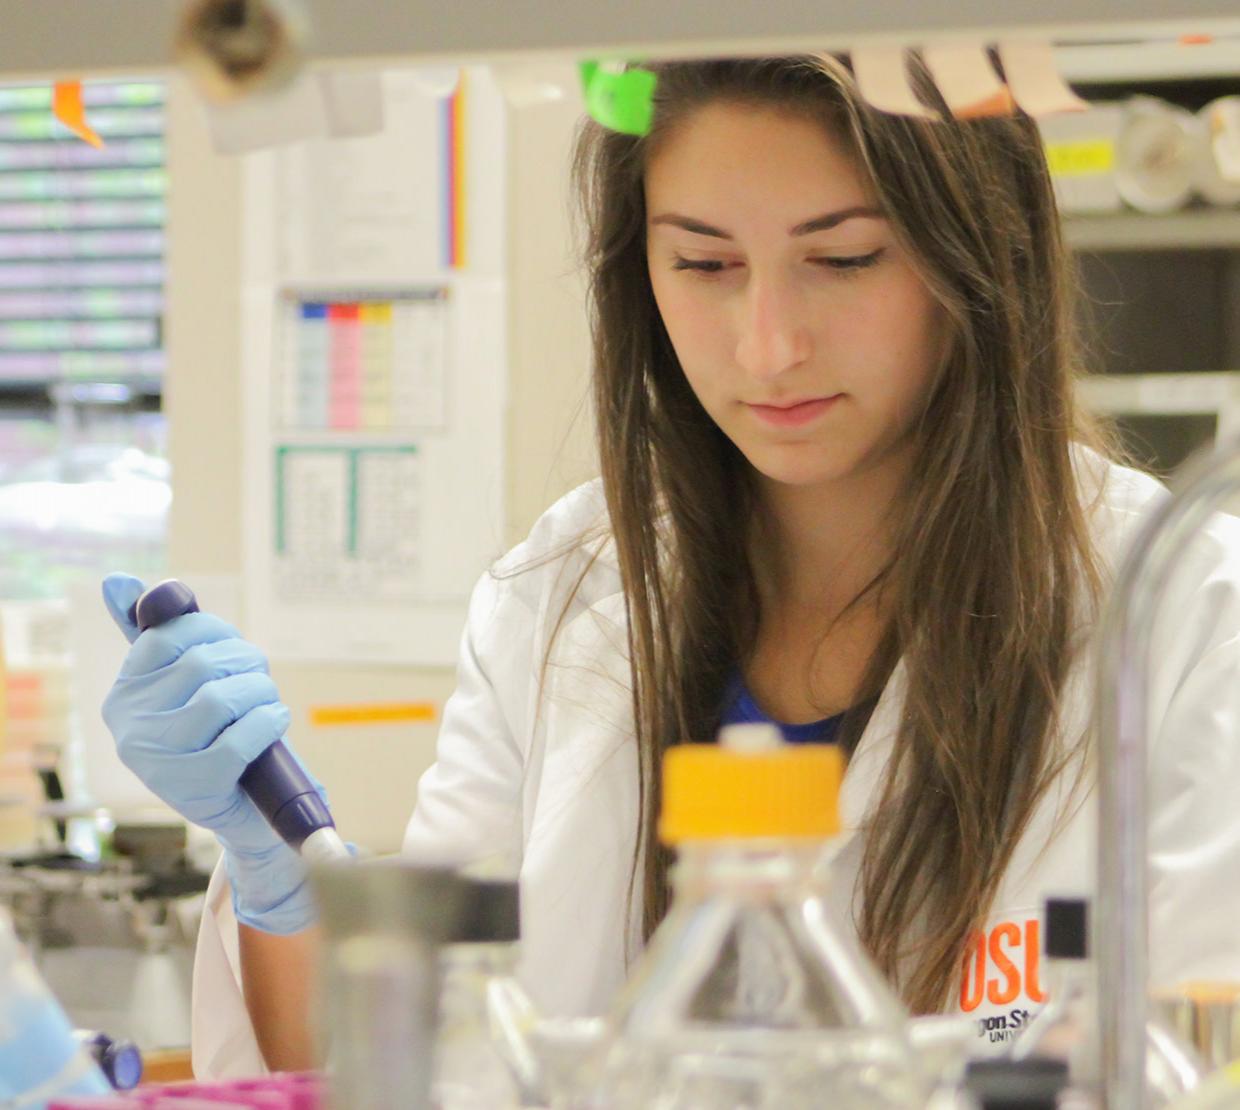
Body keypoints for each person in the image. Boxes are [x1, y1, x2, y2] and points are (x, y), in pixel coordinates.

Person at [102, 54, 1240, 1078]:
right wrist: (282, 881)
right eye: (703, 263)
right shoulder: (563, 593)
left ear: (978, 255)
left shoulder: (1180, 610)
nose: (766, 344)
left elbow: (1180, 1050)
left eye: (842, 258)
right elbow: (409, 1064)